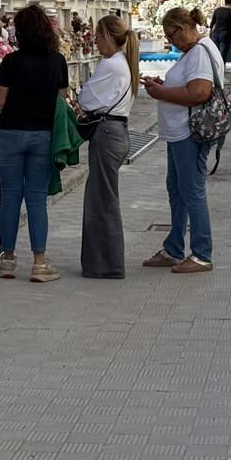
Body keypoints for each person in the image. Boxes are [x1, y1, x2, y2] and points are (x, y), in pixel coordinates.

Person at [140, 5, 220, 273]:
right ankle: (174, 248)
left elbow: (199, 92)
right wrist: (162, 84)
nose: (170, 41)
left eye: (171, 34)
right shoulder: (193, 52)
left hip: (189, 132)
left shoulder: (199, 52)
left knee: (192, 192)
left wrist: (161, 93)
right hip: (179, 131)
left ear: (184, 28)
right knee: (177, 190)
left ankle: (201, 253)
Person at [0, 3, 68, 282]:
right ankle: (39, 263)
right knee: (36, 198)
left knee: (10, 195)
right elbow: (62, 99)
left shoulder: (11, 61)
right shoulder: (57, 61)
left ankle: (8, 260)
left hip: (10, 132)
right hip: (43, 134)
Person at [78, 14, 138, 279]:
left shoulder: (112, 65)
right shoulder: (122, 63)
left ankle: (107, 265)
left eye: (100, 36)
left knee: (102, 202)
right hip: (115, 132)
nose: (96, 41)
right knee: (101, 198)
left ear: (111, 38)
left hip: (107, 133)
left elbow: (86, 98)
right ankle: (102, 262)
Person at [209, 0, 231, 65]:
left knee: (215, 53)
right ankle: (221, 70)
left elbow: (212, 23)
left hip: (215, 34)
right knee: (222, 55)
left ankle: (215, 69)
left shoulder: (217, 10)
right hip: (225, 35)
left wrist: (210, 34)